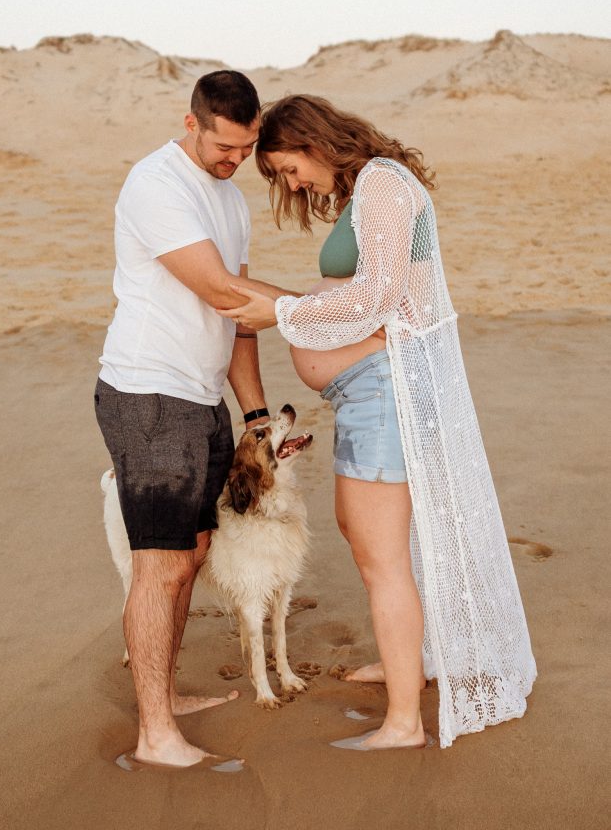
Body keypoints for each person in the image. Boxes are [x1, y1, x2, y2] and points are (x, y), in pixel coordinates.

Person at [219, 94, 537, 750]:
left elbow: (379, 296)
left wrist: (281, 314)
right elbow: (367, 296)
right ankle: (407, 665)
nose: (291, 185)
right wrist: (290, 306)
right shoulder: (368, 189)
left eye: (287, 169)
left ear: (312, 142)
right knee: (367, 536)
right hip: (365, 394)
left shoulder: (385, 184)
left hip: (383, 394)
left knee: (381, 559)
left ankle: (402, 723)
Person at [94, 71, 291, 768]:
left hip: (202, 398)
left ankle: (165, 696)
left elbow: (240, 321)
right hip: (149, 393)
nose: (235, 160)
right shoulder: (157, 185)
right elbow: (219, 288)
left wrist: (255, 414)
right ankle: (155, 736)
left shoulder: (229, 199)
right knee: (163, 565)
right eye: (223, 146)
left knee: (195, 553)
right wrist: (325, 312)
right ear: (191, 123)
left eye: (246, 148)